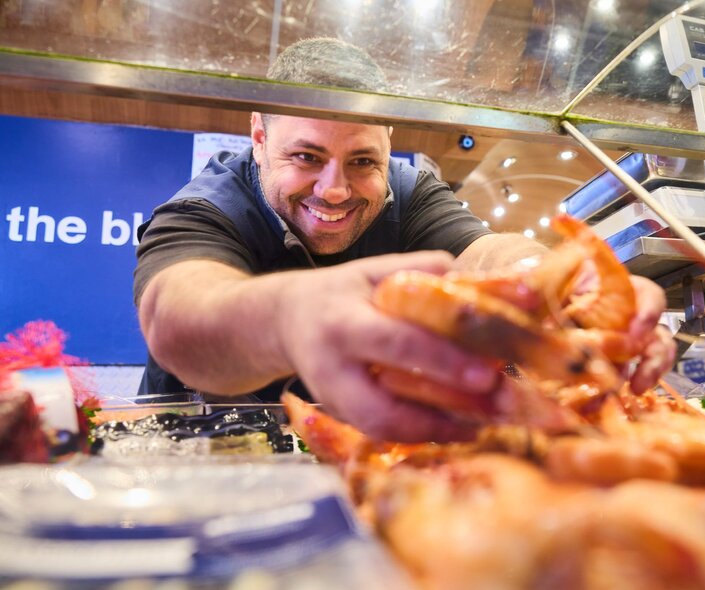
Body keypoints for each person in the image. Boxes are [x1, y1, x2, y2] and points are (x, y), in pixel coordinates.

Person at [134, 37, 675, 442]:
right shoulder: (205, 207)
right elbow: (174, 313)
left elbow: (483, 253)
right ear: (259, 136)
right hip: (202, 458)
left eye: (362, 161)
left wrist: (555, 283)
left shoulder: (408, 192)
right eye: (306, 156)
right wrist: (287, 317)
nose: (335, 190)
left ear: (389, 143)